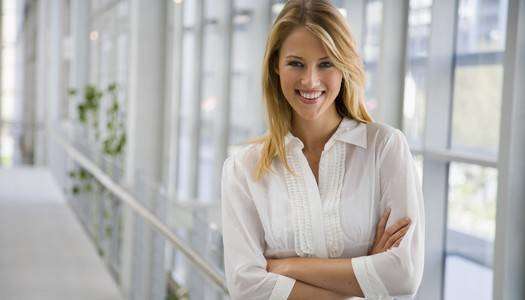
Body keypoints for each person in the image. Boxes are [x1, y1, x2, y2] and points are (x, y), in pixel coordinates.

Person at [220, 0, 425, 299]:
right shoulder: (243, 169)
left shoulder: (385, 148)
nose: (310, 80)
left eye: (326, 63)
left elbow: (404, 274)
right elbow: (245, 286)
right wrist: (362, 278)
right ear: (276, 66)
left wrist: (287, 268)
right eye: (296, 63)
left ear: (344, 66)